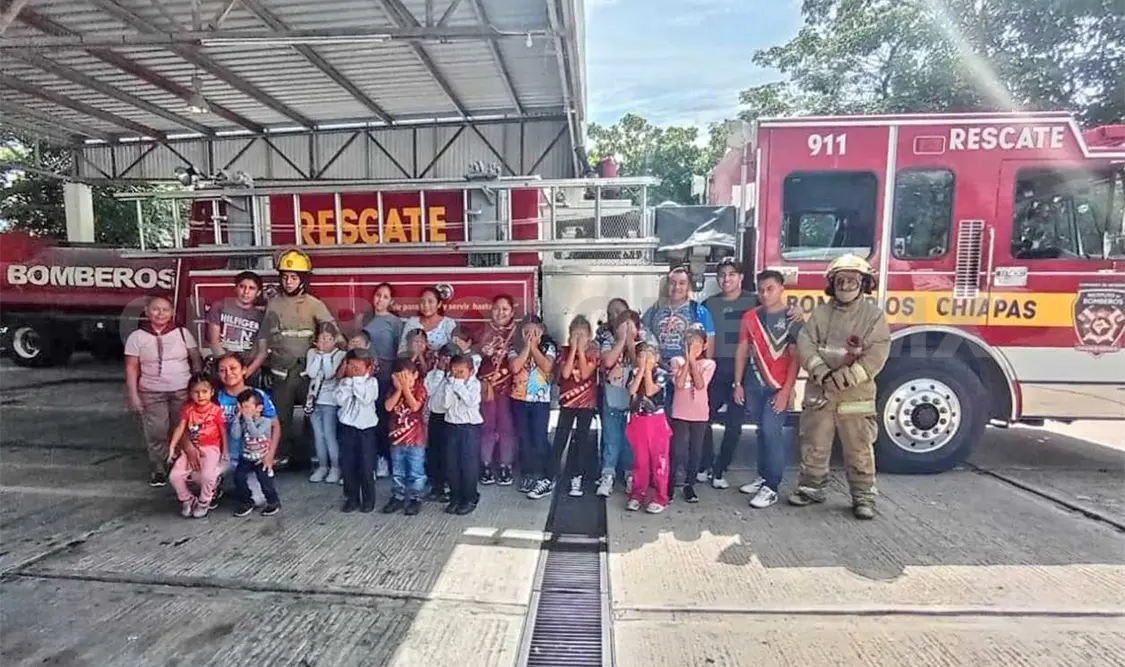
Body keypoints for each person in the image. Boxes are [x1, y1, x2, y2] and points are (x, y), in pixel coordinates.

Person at [791, 254, 891, 520]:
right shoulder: (820, 314)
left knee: (859, 447)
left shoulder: (873, 317)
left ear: (864, 283)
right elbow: (805, 345)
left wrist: (846, 377)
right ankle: (811, 488)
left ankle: (863, 497)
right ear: (832, 283)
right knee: (814, 443)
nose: (846, 285)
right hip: (821, 393)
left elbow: (876, 354)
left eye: (853, 280)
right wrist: (823, 373)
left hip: (854, 396)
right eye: (841, 280)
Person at [718, 270, 802, 508]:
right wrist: (738, 383)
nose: (765, 294)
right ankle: (764, 476)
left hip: (778, 388)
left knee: (770, 431)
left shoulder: (792, 318)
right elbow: (742, 350)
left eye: (770, 289)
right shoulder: (750, 317)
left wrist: (787, 391)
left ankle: (772, 486)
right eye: (762, 289)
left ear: (781, 288)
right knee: (760, 431)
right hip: (753, 385)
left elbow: (796, 359)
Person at [255, 249, 337, 470]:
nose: (288, 281)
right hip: (280, 371)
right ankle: (282, 455)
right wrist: (263, 365)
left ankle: (307, 456)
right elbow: (264, 336)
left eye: (293, 277)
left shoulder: (313, 304)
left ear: (302, 279)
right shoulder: (273, 304)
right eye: (285, 277)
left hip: (306, 372)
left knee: (312, 415)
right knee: (280, 417)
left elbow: (332, 331)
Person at [124, 296, 203, 487]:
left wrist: (199, 386)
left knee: (182, 428)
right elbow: (131, 368)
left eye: (165, 310)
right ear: (147, 311)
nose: (160, 314)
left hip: (181, 389)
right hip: (152, 391)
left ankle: (181, 463)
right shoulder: (137, 337)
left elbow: (196, 360)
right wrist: (133, 395)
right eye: (156, 309)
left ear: (172, 312)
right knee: (157, 430)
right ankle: (159, 466)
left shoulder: (183, 334)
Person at [699, 258, 757, 481]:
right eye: (722, 275)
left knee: (735, 423)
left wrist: (796, 311)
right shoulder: (707, 305)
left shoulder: (755, 302)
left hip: (743, 370)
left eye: (732, 274)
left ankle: (721, 468)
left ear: (741, 278)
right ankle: (705, 464)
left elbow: (779, 312)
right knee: (704, 417)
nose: (726, 279)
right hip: (715, 368)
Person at [595, 309, 654, 498]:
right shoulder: (609, 342)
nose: (627, 329)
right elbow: (608, 361)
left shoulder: (642, 345)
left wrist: (630, 343)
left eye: (631, 326)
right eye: (623, 325)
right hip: (612, 397)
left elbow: (639, 366)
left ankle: (630, 474)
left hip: (633, 401)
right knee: (611, 439)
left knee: (630, 441)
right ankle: (608, 474)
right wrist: (620, 340)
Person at [215, 353, 276, 509]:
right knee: (202, 476)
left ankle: (239, 487)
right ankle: (215, 487)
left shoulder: (258, 396)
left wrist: (269, 456)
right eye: (222, 370)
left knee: (258, 500)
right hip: (224, 454)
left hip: (251, 455)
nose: (228, 373)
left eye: (233, 368)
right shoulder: (214, 396)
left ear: (244, 370)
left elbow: (276, 426)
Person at [550, 315, 599, 498]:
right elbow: (565, 372)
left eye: (582, 335)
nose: (578, 339)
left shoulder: (593, 353)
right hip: (567, 402)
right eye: (574, 335)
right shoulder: (563, 352)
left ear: (589, 336)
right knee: (560, 437)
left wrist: (581, 351)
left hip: (586, 403)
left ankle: (576, 476)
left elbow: (586, 373)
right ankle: (550, 475)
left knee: (581, 439)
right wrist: (572, 351)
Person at [509, 315, 558, 498]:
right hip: (519, 399)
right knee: (523, 438)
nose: (530, 335)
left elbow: (546, 367)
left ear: (542, 331)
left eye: (534, 332)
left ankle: (546, 474)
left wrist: (535, 348)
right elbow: (515, 367)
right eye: (526, 332)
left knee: (539, 438)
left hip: (540, 400)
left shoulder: (548, 348)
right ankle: (527, 473)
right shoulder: (514, 348)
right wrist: (527, 348)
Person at [167, 373, 227, 518]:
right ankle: (187, 499)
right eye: (196, 392)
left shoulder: (216, 411)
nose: (201, 396)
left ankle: (204, 501)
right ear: (190, 393)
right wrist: (172, 447)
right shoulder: (188, 409)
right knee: (175, 476)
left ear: (212, 392)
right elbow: (180, 428)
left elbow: (223, 431)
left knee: (208, 476)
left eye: (205, 392)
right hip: (191, 448)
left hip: (211, 447)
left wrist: (225, 450)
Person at [668, 328, 716, 504]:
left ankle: (690, 484)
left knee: (695, 451)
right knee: (678, 450)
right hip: (680, 412)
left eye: (696, 346)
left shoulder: (709, 364)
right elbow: (679, 384)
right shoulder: (676, 361)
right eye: (689, 345)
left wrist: (694, 362)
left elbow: (700, 384)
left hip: (700, 414)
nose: (692, 349)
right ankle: (671, 484)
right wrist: (687, 361)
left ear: (704, 346)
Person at [364, 283, 405, 482]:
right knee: (367, 417)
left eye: (385, 297)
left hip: (385, 374)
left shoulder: (395, 323)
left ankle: (384, 459)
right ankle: (370, 459)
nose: (380, 300)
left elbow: (400, 351)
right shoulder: (364, 319)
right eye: (377, 295)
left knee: (383, 418)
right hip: (366, 375)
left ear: (392, 301)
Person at [625, 342, 672, 514]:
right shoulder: (633, 372)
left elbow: (651, 391)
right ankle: (637, 494)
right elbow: (632, 390)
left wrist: (647, 370)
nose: (645, 359)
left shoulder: (662, 374)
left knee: (659, 461)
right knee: (640, 461)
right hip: (638, 421)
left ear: (657, 358)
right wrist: (641, 370)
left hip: (656, 421)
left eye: (649, 355)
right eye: (641, 355)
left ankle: (660, 497)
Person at [334, 348, 380, 513]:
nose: (354, 371)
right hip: (348, 427)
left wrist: (357, 381)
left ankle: (368, 499)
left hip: (366, 429)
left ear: (368, 368)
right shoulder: (345, 382)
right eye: (351, 366)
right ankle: (351, 498)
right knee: (348, 465)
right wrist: (349, 383)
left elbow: (365, 398)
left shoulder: (372, 383)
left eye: (358, 368)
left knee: (366, 466)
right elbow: (339, 400)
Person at [479, 294, 518, 486]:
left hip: (509, 387)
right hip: (486, 387)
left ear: (512, 312)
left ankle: (505, 465)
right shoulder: (482, 330)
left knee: (506, 427)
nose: (500, 312)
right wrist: (481, 351)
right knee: (486, 426)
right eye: (497, 308)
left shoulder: (517, 332)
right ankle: (485, 464)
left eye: (505, 309)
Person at [641, 266, 716, 366]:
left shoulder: (699, 311)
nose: (677, 287)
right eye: (672, 283)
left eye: (682, 283)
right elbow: (643, 337)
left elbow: (709, 346)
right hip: (659, 370)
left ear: (688, 286)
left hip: (687, 371)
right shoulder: (654, 311)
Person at [382, 356, 428, 516]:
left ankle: (416, 498)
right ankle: (398, 496)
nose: (402, 380)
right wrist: (399, 390)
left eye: (406, 376)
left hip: (415, 438)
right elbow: (388, 407)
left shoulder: (420, 388)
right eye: (399, 377)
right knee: (398, 470)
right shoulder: (391, 391)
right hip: (396, 439)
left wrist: (406, 390)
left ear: (415, 375)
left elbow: (415, 406)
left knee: (416, 471)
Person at [440, 353, 483, 515]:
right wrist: (450, 386)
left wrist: (458, 385)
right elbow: (445, 404)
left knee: (468, 465)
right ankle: (455, 496)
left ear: (470, 372)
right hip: (452, 425)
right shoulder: (449, 383)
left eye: (461, 372)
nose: (457, 375)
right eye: (454, 371)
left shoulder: (474, 385)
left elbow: (470, 402)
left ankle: (470, 497)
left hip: (469, 428)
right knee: (452, 464)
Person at [304, 322, 346, 484]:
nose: (324, 343)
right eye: (321, 339)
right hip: (313, 400)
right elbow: (312, 372)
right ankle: (322, 466)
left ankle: (335, 467)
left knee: (329, 435)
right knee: (318, 435)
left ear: (335, 340)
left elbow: (329, 374)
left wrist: (326, 357)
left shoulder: (339, 354)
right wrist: (319, 356)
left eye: (328, 339)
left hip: (330, 401)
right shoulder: (311, 353)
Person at [204, 271, 266, 380]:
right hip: (222, 371)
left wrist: (246, 372)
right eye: (242, 287)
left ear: (258, 292)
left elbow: (262, 351)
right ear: (235, 288)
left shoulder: (261, 316)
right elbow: (214, 340)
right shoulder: (219, 307)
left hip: (248, 373)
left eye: (251, 288)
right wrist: (227, 370)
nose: (246, 292)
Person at [230, 389, 281, 517]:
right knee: (238, 477)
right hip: (247, 456)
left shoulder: (265, 421)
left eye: (247, 406)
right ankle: (246, 501)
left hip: (261, 458)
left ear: (259, 408)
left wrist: (247, 419)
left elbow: (256, 434)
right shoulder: (242, 421)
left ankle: (273, 502)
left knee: (265, 481)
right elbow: (236, 435)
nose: (244, 410)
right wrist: (237, 418)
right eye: (241, 407)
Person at [424, 343, 457, 502]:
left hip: (450, 418)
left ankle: (449, 485)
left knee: (449, 453)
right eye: (445, 356)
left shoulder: (457, 376)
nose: (447, 360)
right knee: (434, 452)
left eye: (450, 357)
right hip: (435, 416)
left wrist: (450, 374)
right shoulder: (432, 374)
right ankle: (436, 486)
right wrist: (439, 372)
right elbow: (428, 391)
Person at [397, 286, 457, 353]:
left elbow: (455, 351)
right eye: (422, 301)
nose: (426, 305)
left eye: (430, 302)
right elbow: (402, 349)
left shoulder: (448, 323)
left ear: (439, 304)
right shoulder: (412, 322)